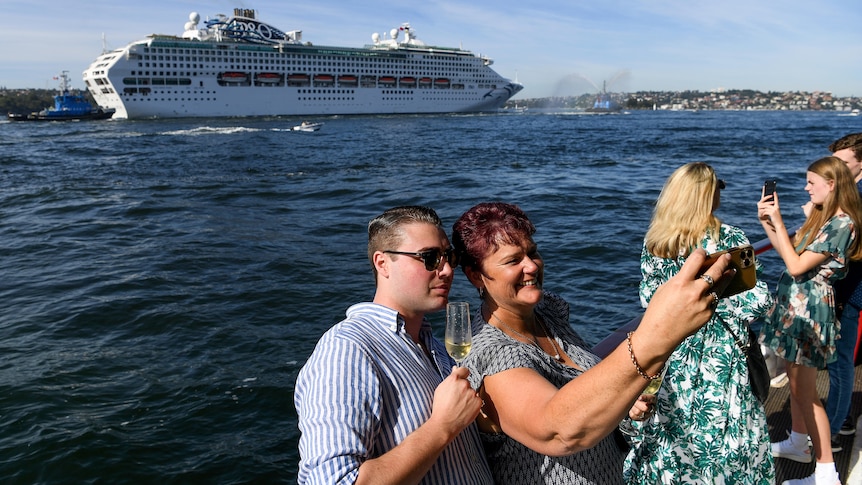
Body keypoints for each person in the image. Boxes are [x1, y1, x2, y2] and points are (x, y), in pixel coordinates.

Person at [451, 201, 735, 484]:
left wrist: (622, 402)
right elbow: (558, 431)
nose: (531, 266)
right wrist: (658, 334)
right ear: (476, 275)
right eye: (513, 260)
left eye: (533, 252)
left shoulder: (548, 313)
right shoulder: (491, 354)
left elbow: (583, 396)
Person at [294, 206, 493, 485]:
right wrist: (442, 427)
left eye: (449, 257)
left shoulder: (435, 349)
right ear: (382, 263)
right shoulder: (348, 350)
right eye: (430, 257)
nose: (447, 270)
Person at [623, 162, 775, 484]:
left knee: (675, 442)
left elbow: (649, 301)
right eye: (718, 187)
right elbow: (757, 302)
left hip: (673, 354)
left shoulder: (656, 244)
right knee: (727, 444)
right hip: (720, 359)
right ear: (707, 196)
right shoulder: (728, 238)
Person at [758, 156, 862, 485]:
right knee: (797, 386)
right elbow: (790, 251)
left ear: (832, 185)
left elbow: (795, 266)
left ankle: (826, 473)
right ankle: (799, 444)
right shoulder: (822, 217)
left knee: (807, 393)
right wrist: (768, 223)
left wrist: (777, 217)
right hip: (795, 308)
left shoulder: (843, 224)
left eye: (811, 183)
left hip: (811, 313)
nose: (805, 188)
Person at [827, 132, 862, 450]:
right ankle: (842, 422)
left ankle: (834, 431)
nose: (834, 169)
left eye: (842, 163)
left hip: (849, 290)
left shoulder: (856, 198)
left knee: (840, 363)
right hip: (848, 289)